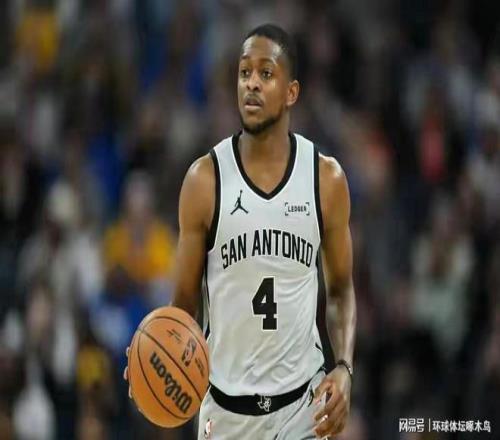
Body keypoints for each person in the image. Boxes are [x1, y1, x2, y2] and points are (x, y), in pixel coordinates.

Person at [125, 23, 356, 439]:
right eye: (244, 72)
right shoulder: (204, 181)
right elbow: (183, 307)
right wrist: (152, 355)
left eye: (266, 73)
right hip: (225, 414)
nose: (251, 83)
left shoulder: (325, 179)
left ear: (292, 92)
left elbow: (340, 289)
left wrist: (343, 367)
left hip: (303, 409)